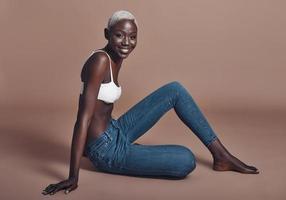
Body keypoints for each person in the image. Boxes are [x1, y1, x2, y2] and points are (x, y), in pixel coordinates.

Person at [42, 10, 259, 195]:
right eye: (119, 35)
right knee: (186, 160)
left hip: (115, 129)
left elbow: (101, 110)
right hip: (106, 150)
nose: (126, 43)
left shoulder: (116, 56)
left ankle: (221, 156)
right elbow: (83, 118)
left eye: (132, 37)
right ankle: (127, 155)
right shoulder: (99, 61)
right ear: (107, 34)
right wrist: (73, 175)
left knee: (175, 90)